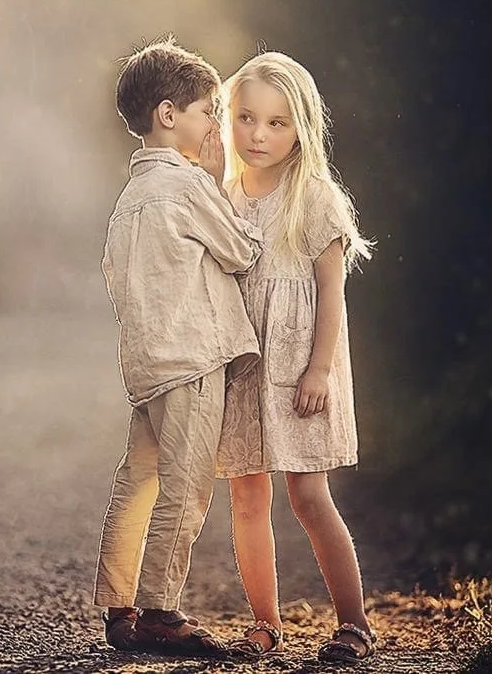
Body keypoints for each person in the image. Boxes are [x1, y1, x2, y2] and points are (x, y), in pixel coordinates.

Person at [93, 38, 263, 655]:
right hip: (191, 361)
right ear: (168, 115)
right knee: (185, 489)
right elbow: (243, 251)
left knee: (136, 481)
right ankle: (162, 612)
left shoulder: (127, 202)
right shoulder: (189, 187)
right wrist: (218, 183)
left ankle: (118, 607)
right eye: (207, 110)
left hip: (146, 367)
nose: (215, 124)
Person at [215, 50, 377, 664]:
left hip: (301, 370)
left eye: (277, 123)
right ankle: (265, 623)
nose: (259, 135)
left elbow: (332, 293)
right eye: (247, 118)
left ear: (301, 127)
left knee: (310, 498)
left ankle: (354, 623)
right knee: (247, 498)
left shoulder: (313, 198)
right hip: (244, 370)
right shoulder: (224, 196)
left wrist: (318, 368)